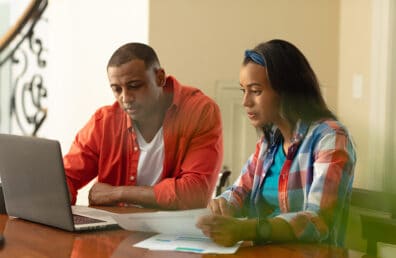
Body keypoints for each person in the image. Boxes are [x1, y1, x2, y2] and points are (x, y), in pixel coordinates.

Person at [196, 39, 356, 247]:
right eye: (243, 90)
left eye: (256, 91)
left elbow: (317, 221)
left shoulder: (331, 138)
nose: (245, 102)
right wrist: (222, 205)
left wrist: (249, 229)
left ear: (286, 90)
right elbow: (239, 191)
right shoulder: (268, 142)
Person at [63, 42, 223, 209]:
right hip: (115, 230)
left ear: (160, 78)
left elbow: (195, 193)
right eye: (117, 89)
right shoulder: (104, 123)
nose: (125, 98)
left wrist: (118, 193)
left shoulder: (199, 112)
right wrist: (58, 193)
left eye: (134, 86)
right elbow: (65, 177)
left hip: (174, 230)